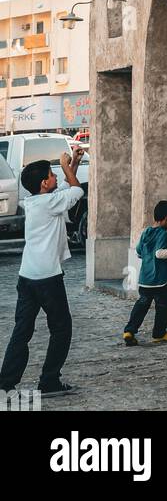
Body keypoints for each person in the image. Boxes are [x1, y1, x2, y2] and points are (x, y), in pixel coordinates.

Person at [0, 148, 85, 396]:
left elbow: (67, 192)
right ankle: (49, 380)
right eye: (52, 174)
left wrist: (75, 163)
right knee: (61, 329)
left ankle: (5, 383)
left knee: (22, 331)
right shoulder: (49, 203)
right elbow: (77, 191)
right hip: (47, 278)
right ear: (43, 183)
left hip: (27, 276)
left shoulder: (38, 201)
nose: (56, 176)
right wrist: (65, 163)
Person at [123, 201, 167, 345]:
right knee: (162, 307)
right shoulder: (163, 234)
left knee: (142, 305)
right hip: (160, 280)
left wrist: (147, 256)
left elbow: (139, 251)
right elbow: (159, 253)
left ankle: (130, 330)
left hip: (145, 279)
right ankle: (159, 333)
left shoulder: (146, 232)